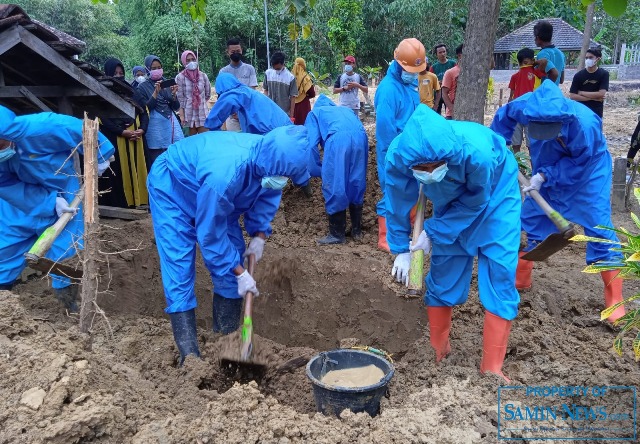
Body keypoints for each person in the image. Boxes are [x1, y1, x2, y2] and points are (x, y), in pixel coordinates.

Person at [147, 126, 310, 364]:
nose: (283, 181)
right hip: (174, 188)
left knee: (231, 271)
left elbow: (267, 194)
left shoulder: (271, 160)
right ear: (269, 165)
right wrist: (241, 272)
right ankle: (190, 357)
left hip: (218, 197)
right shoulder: (225, 175)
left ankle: (227, 343)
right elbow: (210, 235)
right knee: (179, 266)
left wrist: (259, 235)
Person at [385, 105, 521, 382]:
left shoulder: (475, 153)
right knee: (445, 268)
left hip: (496, 195)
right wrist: (400, 249)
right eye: (421, 168)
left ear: (449, 156)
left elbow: (477, 201)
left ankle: (492, 368)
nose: (429, 172)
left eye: (436, 166)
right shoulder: (398, 156)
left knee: (500, 268)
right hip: (449, 201)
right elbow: (397, 200)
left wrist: (433, 233)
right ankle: (438, 351)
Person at [491, 81, 625, 323]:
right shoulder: (524, 106)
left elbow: (580, 163)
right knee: (530, 217)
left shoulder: (585, 124)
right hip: (546, 163)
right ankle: (521, 278)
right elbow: (503, 118)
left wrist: (545, 176)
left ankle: (615, 299)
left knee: (598, 225)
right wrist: (499, 144)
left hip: (588, 172)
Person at [0, 105, 114, 311]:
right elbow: (5, 185)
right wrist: (48, 203)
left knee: (66, 252)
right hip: (20, 202)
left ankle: (69, 305)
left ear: (9, 133)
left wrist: (100, 155)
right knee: (4, 250)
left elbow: (83, 128)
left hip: (64, 193)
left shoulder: (43, 127)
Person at [374, 38, 424, 252]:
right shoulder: (388, 90)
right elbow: (385, 132)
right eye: (409, 69)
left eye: (415, 70)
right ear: (398, 63)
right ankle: (386, 238)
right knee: (392, 193)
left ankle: (406, 231)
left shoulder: (411, 84)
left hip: (412, 150)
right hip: (393, 153)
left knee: (410, 192)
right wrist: (392, 160)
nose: (413, 74)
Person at [305, 95, 368, 244]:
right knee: (356, 180)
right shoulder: (344, 110)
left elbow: (310, 145)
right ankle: (356, 230)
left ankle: (337, 234)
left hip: (338, 140)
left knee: (335, 184)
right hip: (361, 137)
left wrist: (316, 170)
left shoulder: (315, 113)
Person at [100, 58, 149, 208]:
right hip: (116, 140)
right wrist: (122, 132)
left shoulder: (132, 91)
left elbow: (144, 112)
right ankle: (123, 204)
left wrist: (142, 129)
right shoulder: (102, 93)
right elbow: (103, 118)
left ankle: (141, 200)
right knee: (118, 172)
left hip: (137, 139)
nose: (119, 76)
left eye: (121, 73)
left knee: (140, 169)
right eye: (115, 73)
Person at [133, 55, 183, 171]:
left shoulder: (167, 83)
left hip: (170, 124)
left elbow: (176, 107)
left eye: (159, 67)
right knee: (158, 159)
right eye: (153, 68)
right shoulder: (142, 87)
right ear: (147, 69)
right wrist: (155, 93)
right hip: (155, 127)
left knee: (175, 156)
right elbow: (146, 108)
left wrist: (174, 95)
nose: (157, 70)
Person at [205, 73, 292, 135]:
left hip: (274, 133)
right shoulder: (248, 92)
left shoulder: (237, 93)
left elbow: (228, 101)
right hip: (286, 128)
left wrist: (213, 126)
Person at [507, 48, 544, 153]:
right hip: (530, 112)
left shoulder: (516, 76)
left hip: (518, 112)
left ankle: (518, 166)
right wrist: (534, 62)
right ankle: (533, 169)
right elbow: (544, 62)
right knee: (531, 145)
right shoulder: (536, 73)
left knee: (516, 145)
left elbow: (511, 97)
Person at [219, 38, 259, 131]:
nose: (236, 53)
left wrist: (243, 110)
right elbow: (223, 95)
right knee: (235, 141)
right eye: (233, 51)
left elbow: (252, 91)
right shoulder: (223, 72)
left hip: (248, 114)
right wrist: (233, 111)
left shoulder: (250, 69)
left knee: (250, 140)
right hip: (232, 115)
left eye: (238, 51)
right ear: (227, 52)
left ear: (242, 50)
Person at [176, 50, 212, 135]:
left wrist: (199, 101)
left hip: (202, 113)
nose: (191, 62)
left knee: (204, 141)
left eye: (193, 59)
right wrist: (182, 116)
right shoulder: (180, 77)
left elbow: (208, 94)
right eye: (188, 60)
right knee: (191, 143)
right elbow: (180, 98)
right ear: (184, 62)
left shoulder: (203, 76)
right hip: (188, 115)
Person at [569, 47, 609, 119]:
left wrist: (581, 93)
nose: (588, 60)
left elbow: (601, 94)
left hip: (596, 111)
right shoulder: (578, 75)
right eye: (586, 58)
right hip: (581, 110)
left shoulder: (604, 74)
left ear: (597, 59)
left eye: (591, 57)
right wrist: (592, 99)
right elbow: (572, 96)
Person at [263, 52, 298, 121]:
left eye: (278, 68)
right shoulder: (268, 73)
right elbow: (265, 90)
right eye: (274, 68)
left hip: (284, 114)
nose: (276, 70)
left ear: (283, 64)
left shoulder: (290, 77)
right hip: (271, 112)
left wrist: (291, 116)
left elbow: (293, 97)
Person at [533, 20, 565, 85]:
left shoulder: (542, 54)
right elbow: (561, 80)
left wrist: (546, 88)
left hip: (544, 93)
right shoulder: (561, 53)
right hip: (555, 92)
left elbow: (555, 73)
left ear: (537, 38)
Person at [430, 44, 457, 115]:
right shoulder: (433, 67)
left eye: (444, 51)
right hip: (438, 95)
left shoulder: (453, 64)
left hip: (450, 96)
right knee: (436, 116)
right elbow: (430, 81)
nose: (442, 54)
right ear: (436, 54)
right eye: (440, 52)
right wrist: (438, 82)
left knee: (450, 115)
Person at [292, 57, 316, 125]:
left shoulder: (290, 76)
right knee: (305, 124)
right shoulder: (305, 76)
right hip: (303, 105)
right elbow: (311, 93)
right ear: (303, 65)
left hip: (292, 105)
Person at [441, 44, 463, 120]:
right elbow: (444, 93)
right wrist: (452, 109)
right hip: (451, 115)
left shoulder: (472, 73)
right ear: (460, 56)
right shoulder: (450, 72)